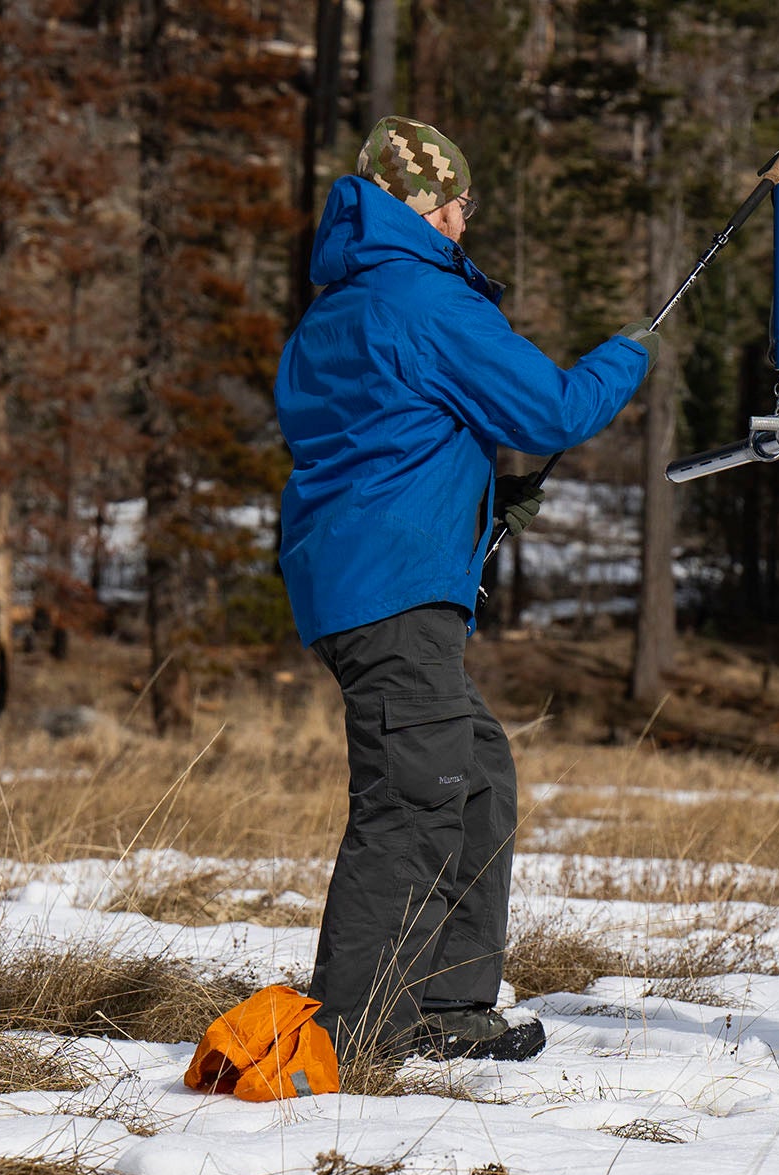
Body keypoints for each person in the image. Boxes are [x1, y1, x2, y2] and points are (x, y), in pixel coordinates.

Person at [275, 117, 654, 1063]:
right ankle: (357, 1031)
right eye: (458, 205)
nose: (462, 222)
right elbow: (555, 408)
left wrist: (484, 493)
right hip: (392, 589)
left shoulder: (338, 306)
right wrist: (626, 356)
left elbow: (388, 437)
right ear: (429, 206)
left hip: (358, 583)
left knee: (475, 774)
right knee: (413, 796)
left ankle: (447, 1006)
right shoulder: (427, 300)